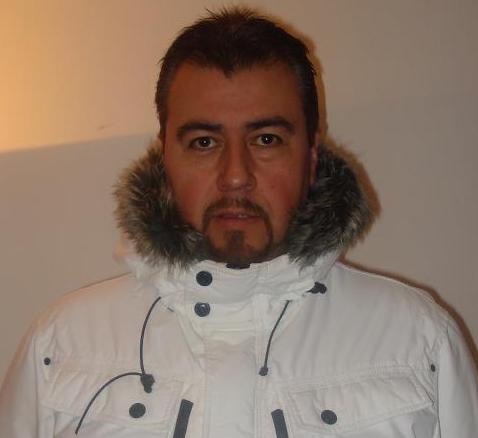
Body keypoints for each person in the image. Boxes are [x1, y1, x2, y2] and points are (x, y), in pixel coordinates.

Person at [0, 7, 477, 438]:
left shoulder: (417, 341)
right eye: (204, 142)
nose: (235, 176)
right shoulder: (63, 344)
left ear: (311, 157)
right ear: (165, 157)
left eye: (266, 139)